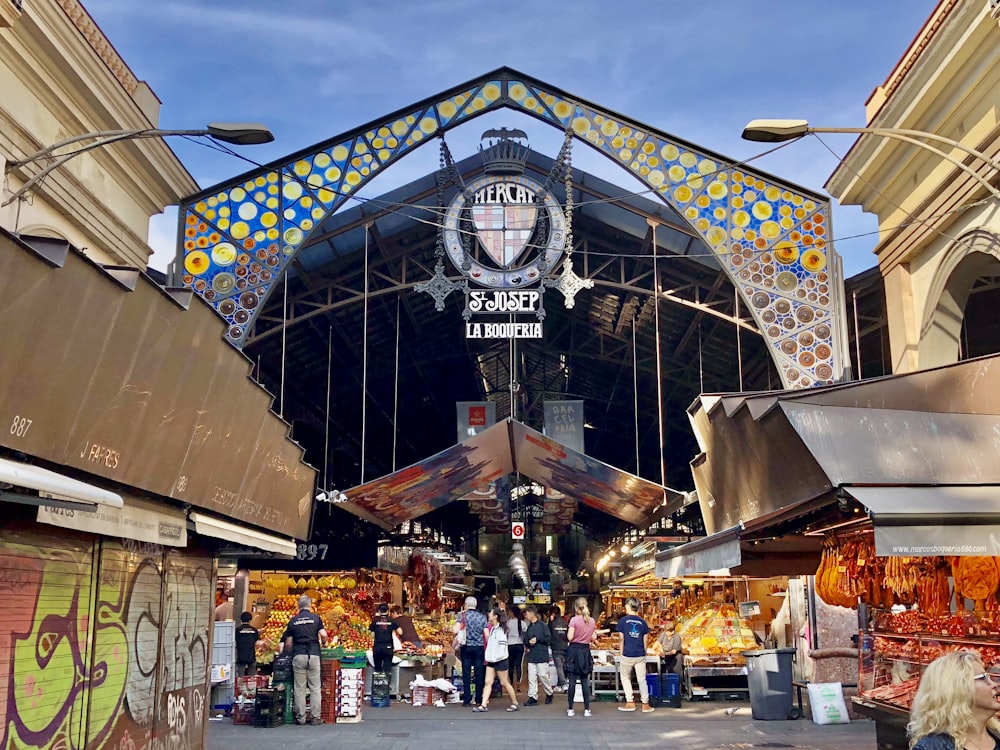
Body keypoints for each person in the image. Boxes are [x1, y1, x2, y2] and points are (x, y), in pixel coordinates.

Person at [908, 650, 1000, 749]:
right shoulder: (931, 747)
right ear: (958, 689)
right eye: (983, 678)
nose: (994, 684)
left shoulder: (996, 735)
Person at [282, 595, 328, 725]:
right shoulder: (316, 618)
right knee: (315, 687)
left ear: (298, 606)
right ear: (310, 605)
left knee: (299, 688)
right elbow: (323, 635)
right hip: (313, 654)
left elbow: (289, 643)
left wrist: (288, 653)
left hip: (298, 655)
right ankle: (315, 717)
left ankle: (301, 718)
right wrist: (324, 643)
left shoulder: (293, 621)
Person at [473, 606, 519, 713]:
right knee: (488, 682)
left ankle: (515, 702)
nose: (489, 615)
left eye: (491, 613)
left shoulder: (501, 630)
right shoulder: (493, 628)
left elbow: (502, 647)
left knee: (504, 682)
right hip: (491, 660)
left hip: (500, 660)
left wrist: (495, 657)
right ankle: (483, 705)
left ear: (495, 616)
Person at [616, 597, 654, 713]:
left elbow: (621, 639)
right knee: (642, 679)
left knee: (625, 678)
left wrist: (621, 652)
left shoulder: (623, 621)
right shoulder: (643, 622)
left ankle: (630, 702)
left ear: (628, 607)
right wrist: (644, 652)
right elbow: (645, 640)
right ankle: (645, 704)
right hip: (640, 655)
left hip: (627, 654)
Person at [565, 597, 597, 717]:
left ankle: (570, 709)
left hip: (574, 651)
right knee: (585, 681)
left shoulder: (574, 620)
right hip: (585, 651)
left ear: (576, 608)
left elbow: (569, 637)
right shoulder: (592, 621)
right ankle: (587, 709)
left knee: (572, 681)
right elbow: (593, 637)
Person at [455, 596, 488, 707]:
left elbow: (455, 630)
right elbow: (486, 635)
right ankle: (478, 699)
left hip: (466, 647)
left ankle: (467, 700)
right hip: (479, 648)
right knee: (479, 674)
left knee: (466, 673)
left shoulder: (462, 616)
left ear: (466, 605)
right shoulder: (482, 617)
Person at [523, 605, 553, 706]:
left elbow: (548, 639)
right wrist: (528, 642)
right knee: (531, 678)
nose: (526, 616)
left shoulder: (543, 626)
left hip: (541, 655)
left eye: (527, 613)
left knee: (543, 676)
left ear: (532, 613)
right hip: (532, 656)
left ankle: (549, 692)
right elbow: (525, 640)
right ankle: (532, 697)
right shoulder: (529, 627)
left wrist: (537, 639)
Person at [369, 603, 402, 675]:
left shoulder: (375, 621)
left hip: (377, 647)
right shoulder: (392, 620)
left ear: (379, 611)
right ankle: (386, 684)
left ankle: (378, 684)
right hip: (388, 648)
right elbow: (400, 632)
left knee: (377, 669)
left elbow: (372, 635)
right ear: (388, 611)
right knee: (387, 670)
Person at [549, 604, 569, 692]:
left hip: (555, 647)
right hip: (565, 646)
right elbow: (569, 636)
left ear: (553, 614)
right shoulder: (566, 623)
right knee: (563, 666)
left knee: (559, 667)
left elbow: (548, 635)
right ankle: (560, 684)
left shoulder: (551, 624)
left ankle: (564, 684)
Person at [234, 611, 261, 677]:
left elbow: (234, 641)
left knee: (240, 676)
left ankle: (240, 686)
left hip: (240, 656)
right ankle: (251, 687)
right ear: (250, 619)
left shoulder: (237, 630)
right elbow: (257, 643)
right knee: (251, 677)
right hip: (251, 656)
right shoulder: (254, 630)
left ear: (241, 619)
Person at [506, 604, 526, 691]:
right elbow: (525, 633)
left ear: (512, 613)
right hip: (519, 645)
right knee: (518, 665)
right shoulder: (522, 623)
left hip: (509, 645)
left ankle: (511, 684)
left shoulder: (508, 623)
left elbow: (504, 633)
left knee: (510, 665)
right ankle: (518, 684)